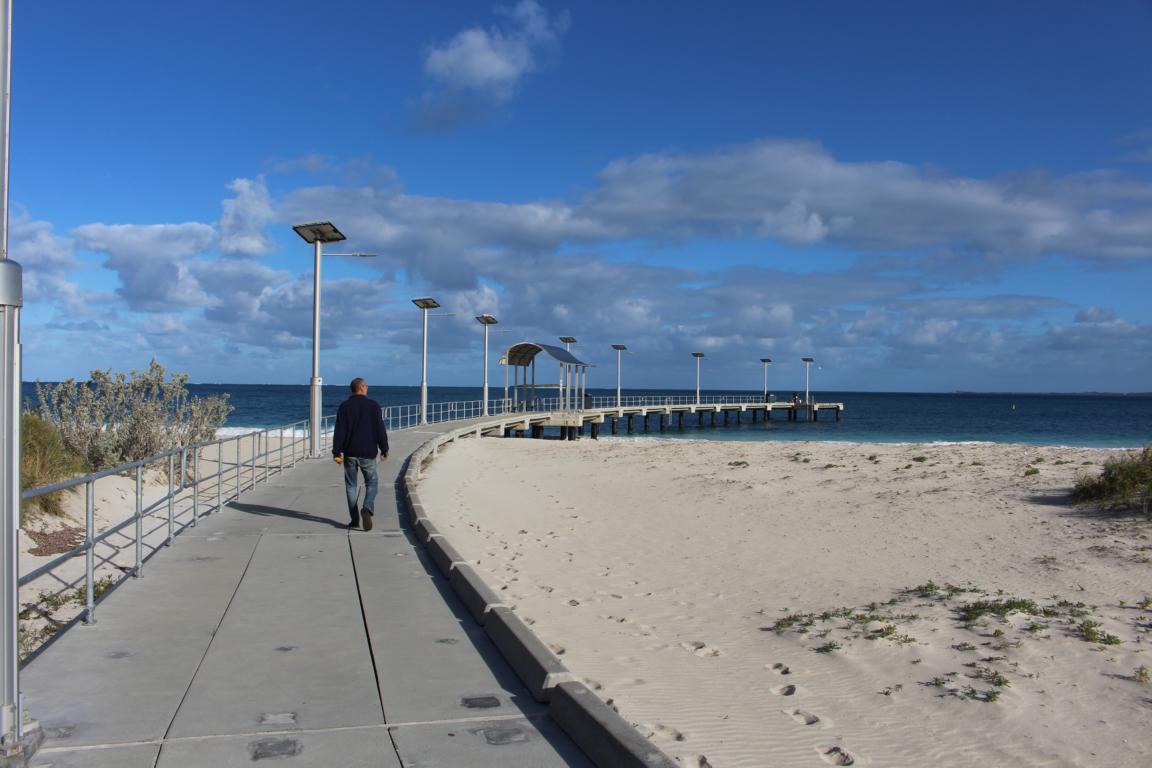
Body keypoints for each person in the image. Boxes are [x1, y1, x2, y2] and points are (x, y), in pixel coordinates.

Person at [332, 377, 389, 531]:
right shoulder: (373, 406)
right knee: (372, 483)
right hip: (368, 453)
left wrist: (336, 452)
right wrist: (384, 449)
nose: (367, 388)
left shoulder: (344, 406)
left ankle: (355, 519)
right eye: (367, 386)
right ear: (362, 387)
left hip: (349, 453)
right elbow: (380, 430)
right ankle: (367, 507)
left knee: (351, 487)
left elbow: (339, 431)